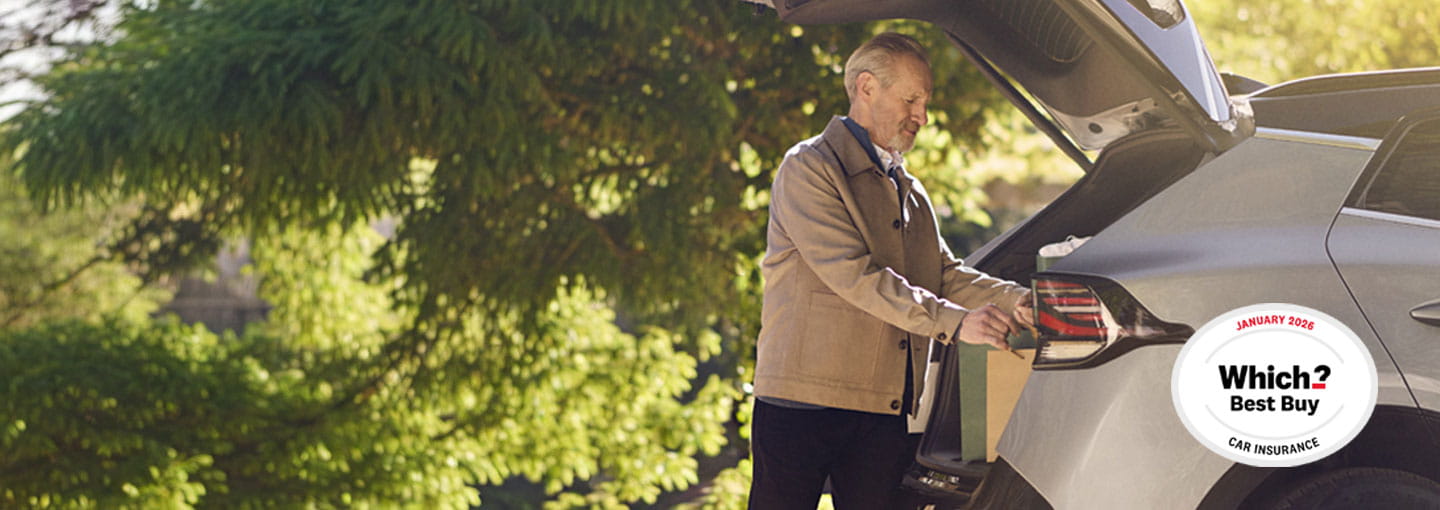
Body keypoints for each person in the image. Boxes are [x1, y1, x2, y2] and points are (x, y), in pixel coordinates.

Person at [749, 32, 1035, 509]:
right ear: (866, 88)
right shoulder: (809, 168)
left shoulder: (910, 188)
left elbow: (942, 273)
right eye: (911, 99)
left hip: (884, 408)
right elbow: (852, 274)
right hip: (803, 402)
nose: (921, 116)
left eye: (924, 102)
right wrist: (957, 323)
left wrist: (1016, 300)